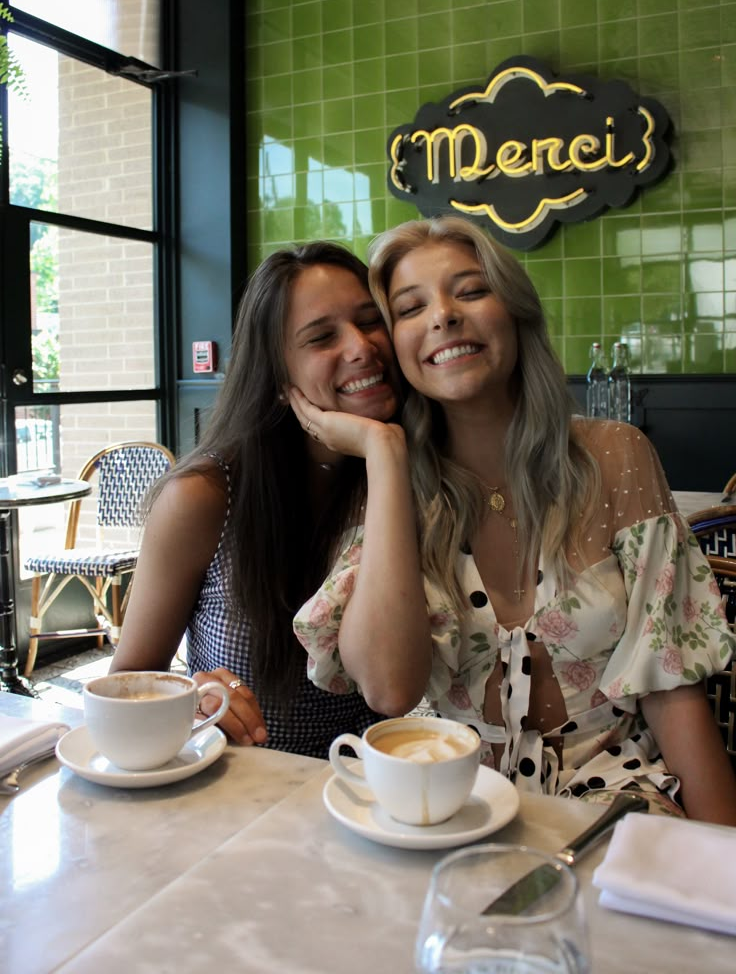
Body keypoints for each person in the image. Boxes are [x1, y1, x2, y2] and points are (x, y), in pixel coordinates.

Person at [292, 215, 736, 824]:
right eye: (411, 307)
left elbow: (671, 686)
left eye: (471, 290)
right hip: (447, 804)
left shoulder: (616, 455)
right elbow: (389, 692)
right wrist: (386, 457)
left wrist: (719, 871)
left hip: (611, 803)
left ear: (517, 314)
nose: (444, 315)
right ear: (395, 347)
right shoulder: (390, 488)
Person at [111, 240, 407, 759]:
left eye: (370, 320)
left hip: (382, 798)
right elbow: (127, 682)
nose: (362, 346)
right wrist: (197, 698)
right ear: (276, 377)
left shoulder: (403, 474)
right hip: (250, 798)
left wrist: (383, 454)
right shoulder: (204, 497)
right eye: (322, 337)